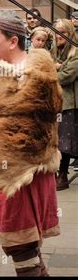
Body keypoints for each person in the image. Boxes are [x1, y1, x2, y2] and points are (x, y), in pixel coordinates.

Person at [0, 10, 60, 277]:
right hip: (5, 174)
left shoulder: (32, 76)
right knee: (24, 256)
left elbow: (28, 134)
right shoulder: (7, 71)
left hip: (21, 178)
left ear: (13, 41)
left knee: (23, 256)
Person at [51, 19, 78, 190]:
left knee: (65, 141)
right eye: (56, 32)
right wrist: (56, 67)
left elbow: (67, 76)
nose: (59, 35)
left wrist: (53, 70)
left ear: (70, 33)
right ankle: (54, 173)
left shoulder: (75, 53)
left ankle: (62, 174)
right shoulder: (52, 51)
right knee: (54, 140)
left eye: (63, 32)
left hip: (69, 103)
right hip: (52, 102)